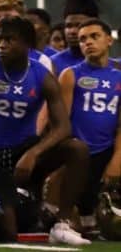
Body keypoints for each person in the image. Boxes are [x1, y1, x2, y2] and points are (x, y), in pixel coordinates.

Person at [0, 16, 88, 244]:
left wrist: (34, 153)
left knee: (77, 149)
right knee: (9, 233)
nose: (2, 45)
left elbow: (63, 127)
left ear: (27, 44)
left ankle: (62, 222)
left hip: (25, 148)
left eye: (10, 40)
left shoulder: (43, 75)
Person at [57, 19, 121, 233]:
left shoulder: (119, 76)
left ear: (109, 40)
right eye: (83, 39)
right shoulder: (70, 75)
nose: (88, 43)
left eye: (95, 37)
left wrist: (117, 159)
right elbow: (61, 122)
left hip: (108, 150)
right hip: (78, 153)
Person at [51, 0, 101, 76]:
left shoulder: (114, 66)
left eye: (79, 25)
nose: (72, 31)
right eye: (68, 26)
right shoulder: (52, 64)